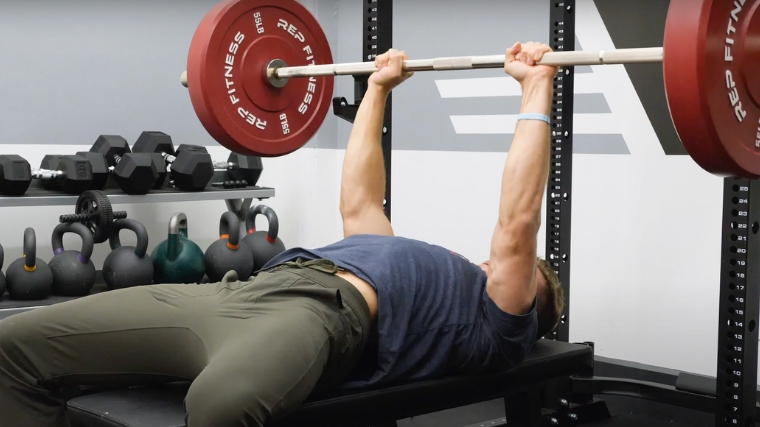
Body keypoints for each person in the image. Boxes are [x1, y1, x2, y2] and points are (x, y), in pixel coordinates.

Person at [0, 42, 564, 427]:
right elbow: (362, 200)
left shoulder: (495, 326)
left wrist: (536, 89)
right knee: (15, 348)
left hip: (321, 315)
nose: (491, 266)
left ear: (523, 312)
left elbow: (517, 224)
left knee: (221, 405)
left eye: (514, 276)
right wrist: (378, 90)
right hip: (236, 293)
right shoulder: (401, 255)